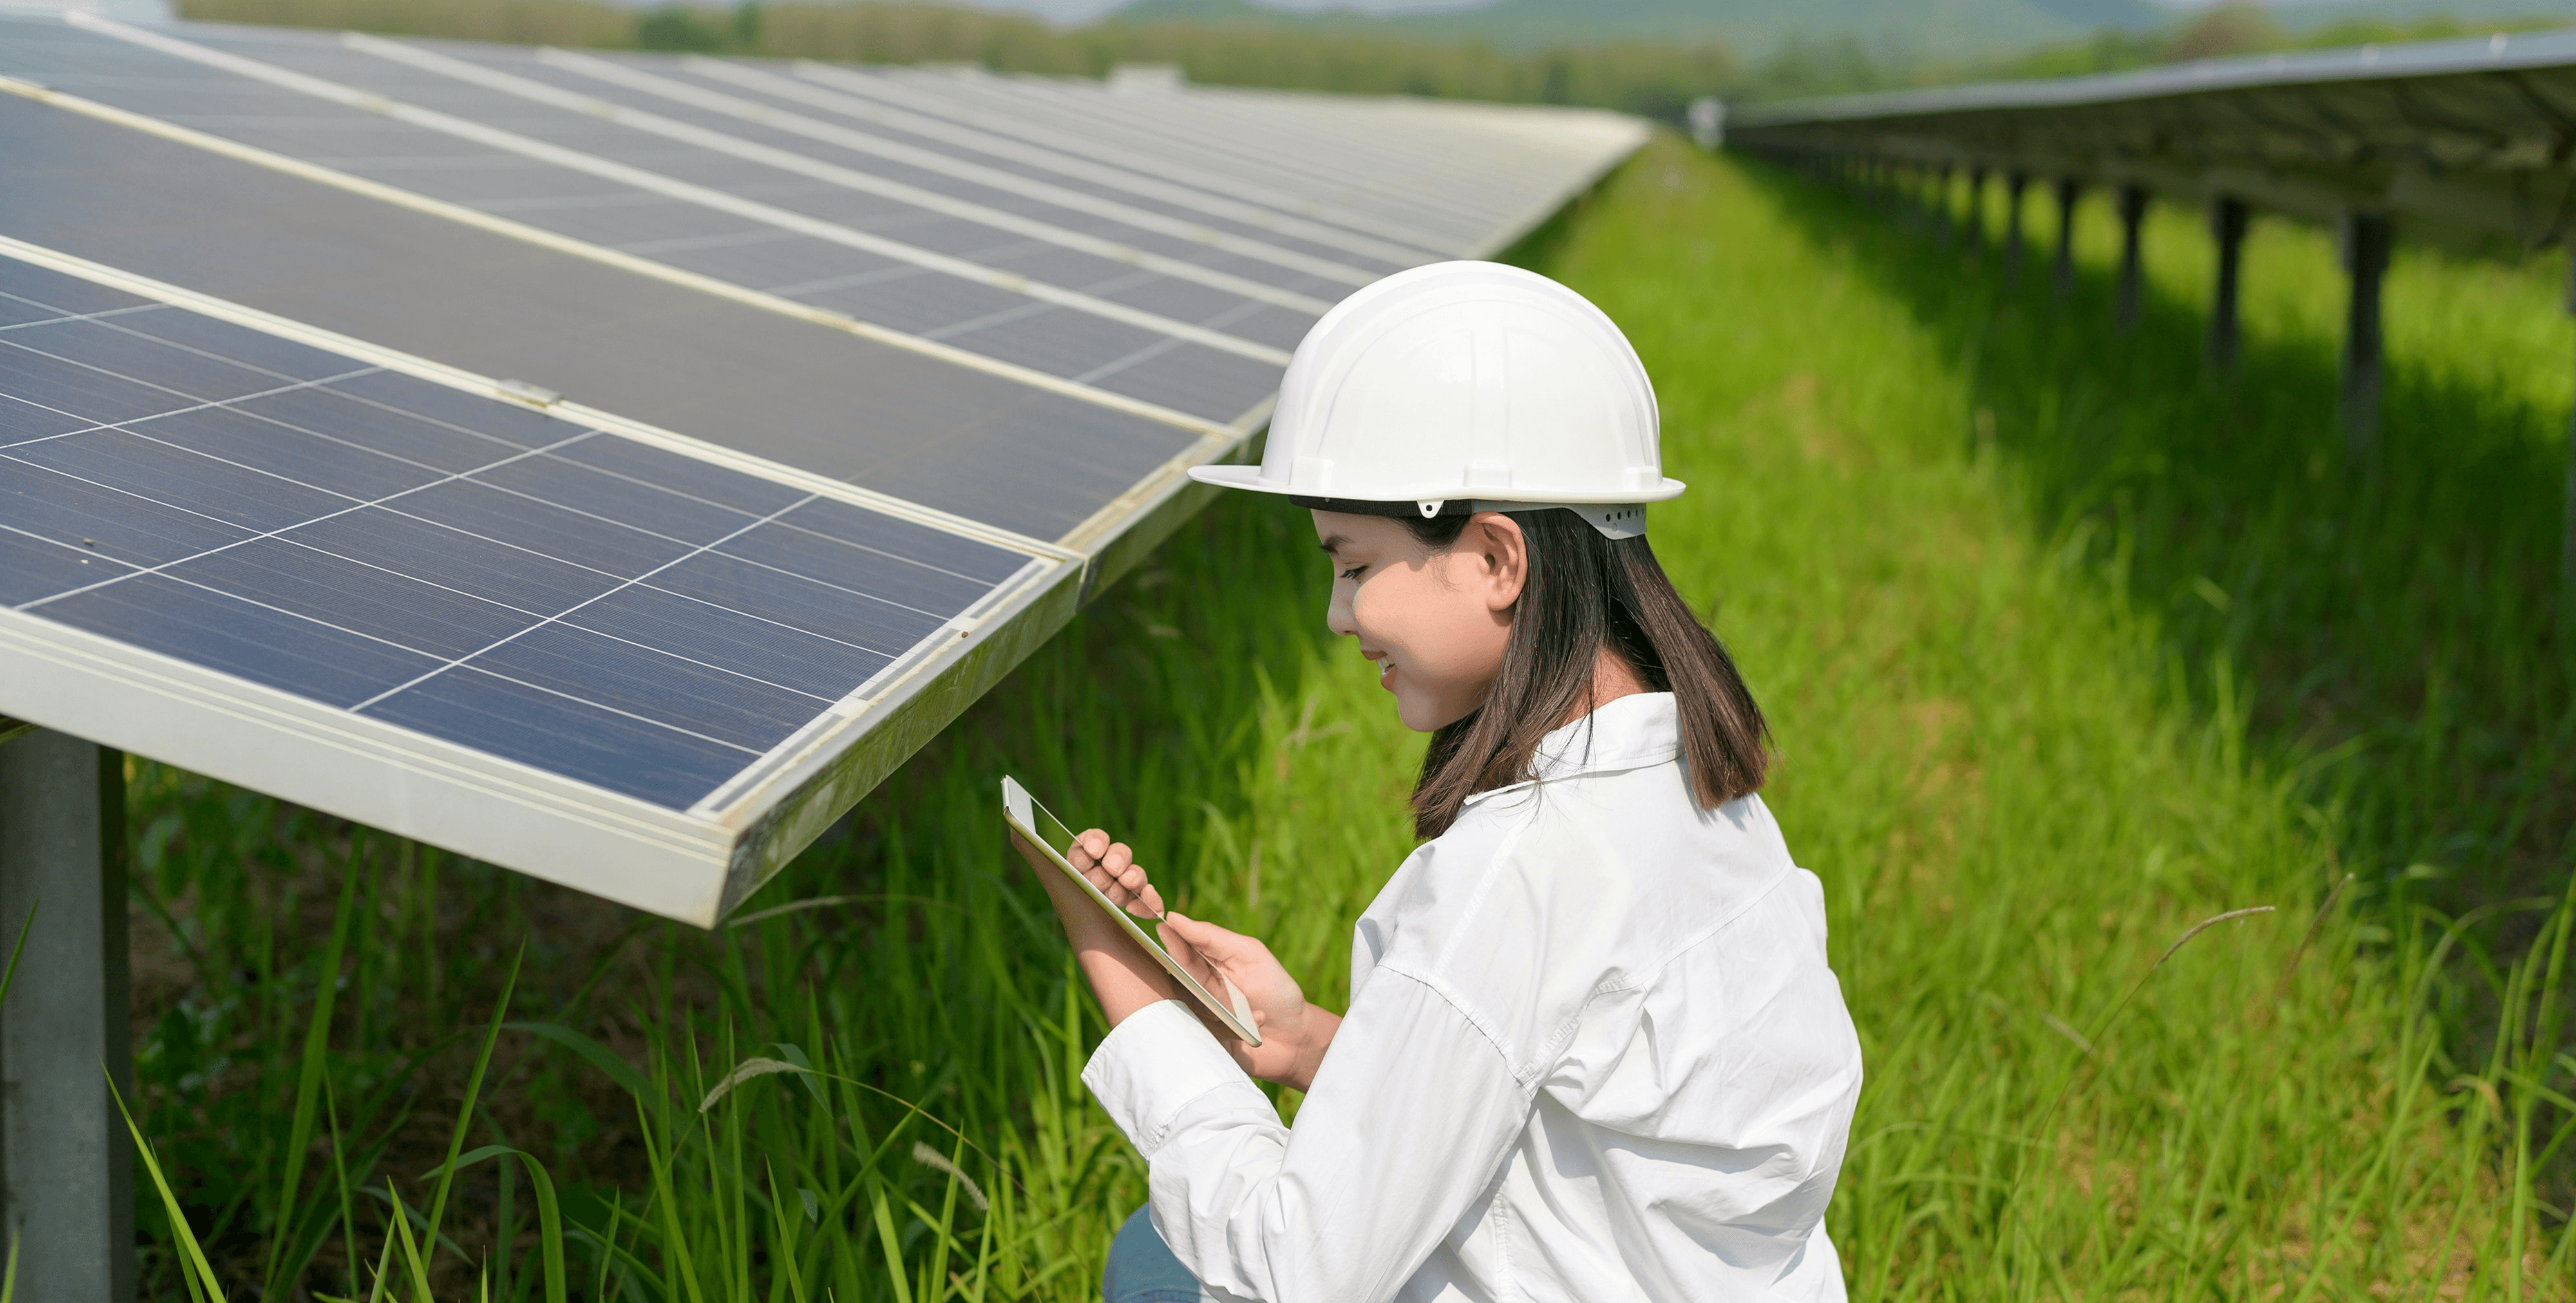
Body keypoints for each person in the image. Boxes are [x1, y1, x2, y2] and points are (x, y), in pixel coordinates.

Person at [1009, 261, 1863, 1303]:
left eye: (1356, 565)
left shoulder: (1519, 869)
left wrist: (1122, 975)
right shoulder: (1704, 794)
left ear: (1499, 560)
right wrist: (1315, 1042)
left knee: (1156, 1262)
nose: (1337, 613)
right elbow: (1578, 1129)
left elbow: (1297, 1268)